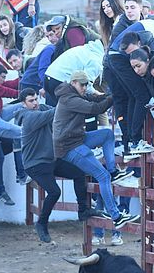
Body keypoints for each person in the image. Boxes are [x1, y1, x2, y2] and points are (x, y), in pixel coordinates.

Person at [17, 88, 110, 243]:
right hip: (35, 164)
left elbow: (57, 110)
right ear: (23, 104)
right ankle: (42, 224)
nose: (35, 103)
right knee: (54, 192)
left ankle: (83, 210)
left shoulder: (41, 108)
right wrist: (71, 101)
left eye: (35, 99)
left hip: (51, 159)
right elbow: (56, 112)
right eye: (31, 101)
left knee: (79, 173)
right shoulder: (28, 117)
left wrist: (82, 99)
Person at [54, 71, 139, 234]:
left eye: (87, 84)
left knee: (107, 134)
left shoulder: (72, 94)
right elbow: (96, 108)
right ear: (74, 83)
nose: (85, 87)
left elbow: (96, 99)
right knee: (102, 176)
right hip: (70, 147)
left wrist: (112, 93)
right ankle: (116, 217)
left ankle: (114, 171)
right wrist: (115, 96)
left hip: (76, 139)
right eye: (83, 84)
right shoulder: (70, 99)